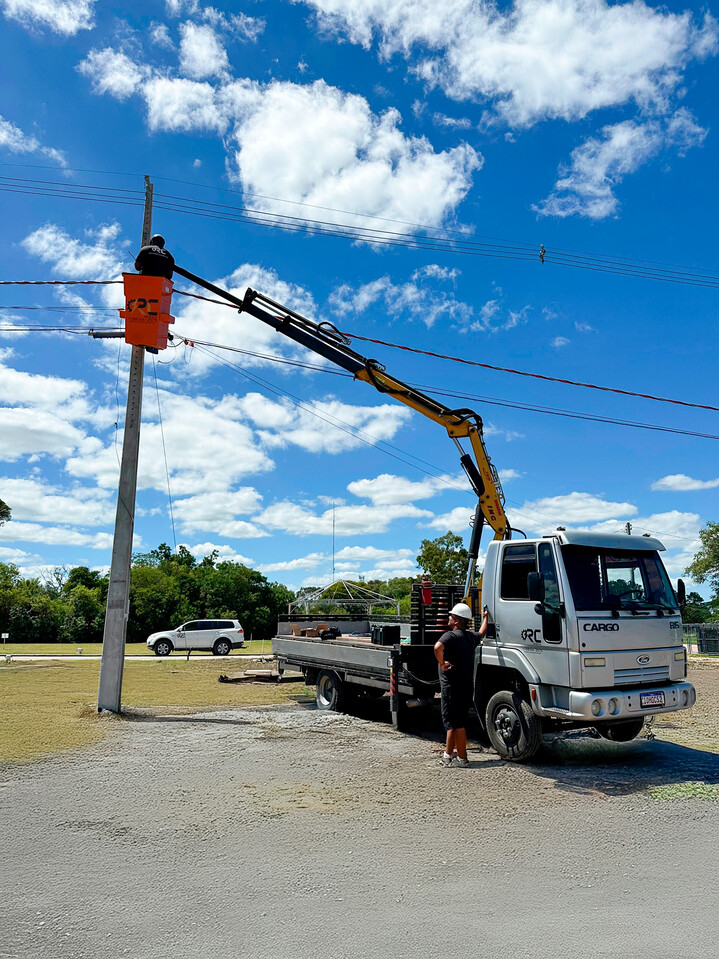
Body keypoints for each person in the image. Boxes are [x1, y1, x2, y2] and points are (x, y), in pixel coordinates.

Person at [434, 602, 489, 767]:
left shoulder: (450, 636)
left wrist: (442, 662)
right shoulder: (470, 638)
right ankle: (447, 755)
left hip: (451, 687)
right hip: (465, 686)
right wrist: (486, 618)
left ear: (457, 621)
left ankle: (463, 759)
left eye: (451, 616)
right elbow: (482, 633)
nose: (449, 618)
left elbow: (437, 647)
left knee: (456, 724)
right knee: (454, 722)